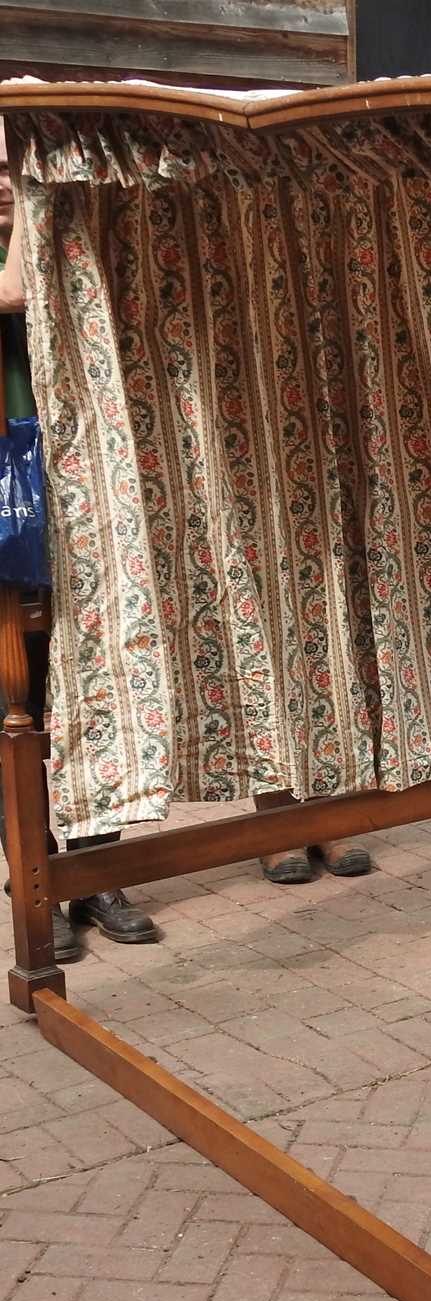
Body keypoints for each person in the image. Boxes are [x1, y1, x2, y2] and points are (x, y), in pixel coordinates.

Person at [1, 126, 159, 958]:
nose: (2, 183)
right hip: (5, 499)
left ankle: (94, 871)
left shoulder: (68, 240)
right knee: (13, 693)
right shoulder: (34, 244)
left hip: (66, 489)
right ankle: (34, 879)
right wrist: (33, 205)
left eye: (10, 168)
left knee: (85, 675)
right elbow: (15, 295)